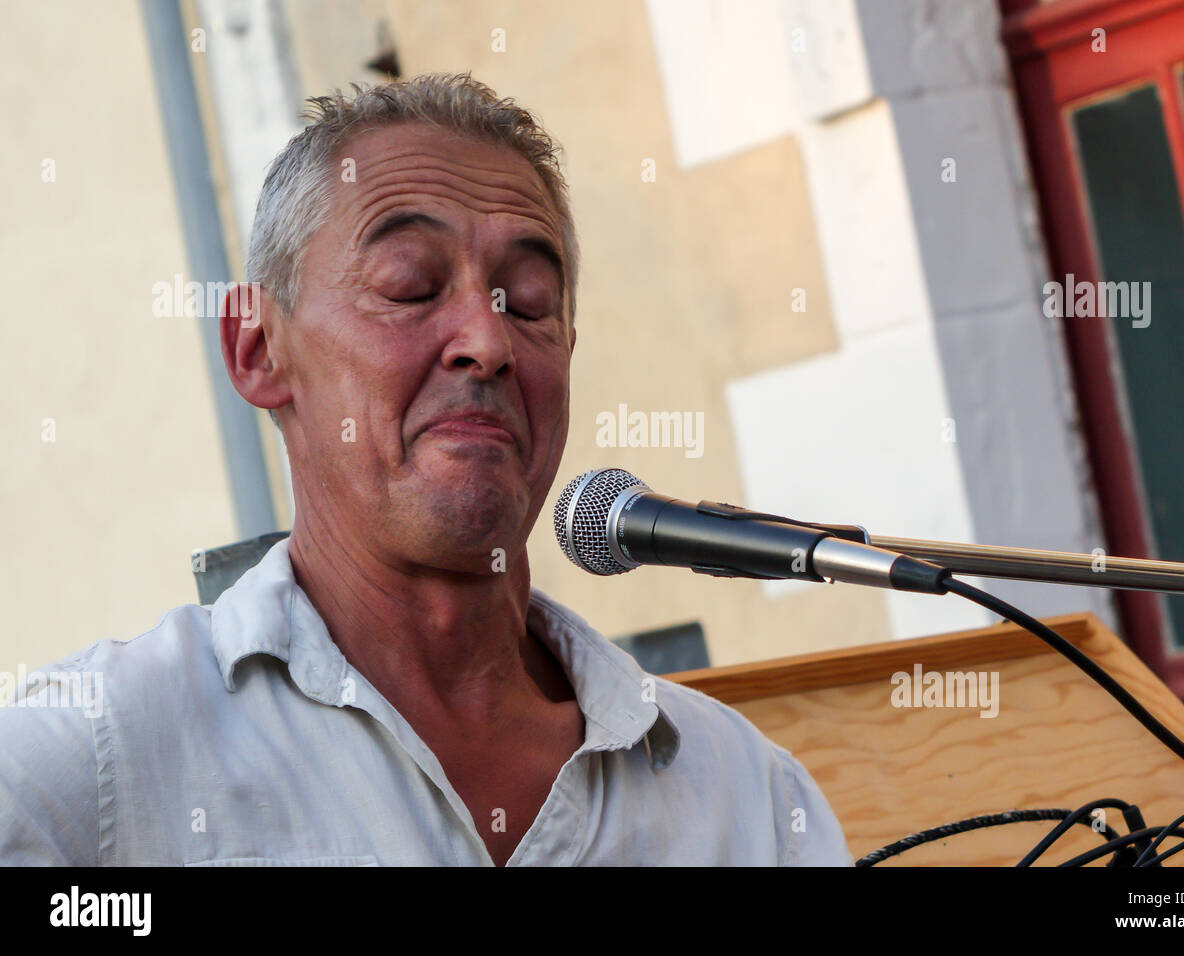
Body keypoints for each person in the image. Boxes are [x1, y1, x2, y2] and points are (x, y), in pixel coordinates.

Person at [0, 73, 853, 866]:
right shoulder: (104, 752)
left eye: (527, 303)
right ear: (257, 349)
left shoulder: (745, 797)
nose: (487, 342)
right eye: (409, 287)